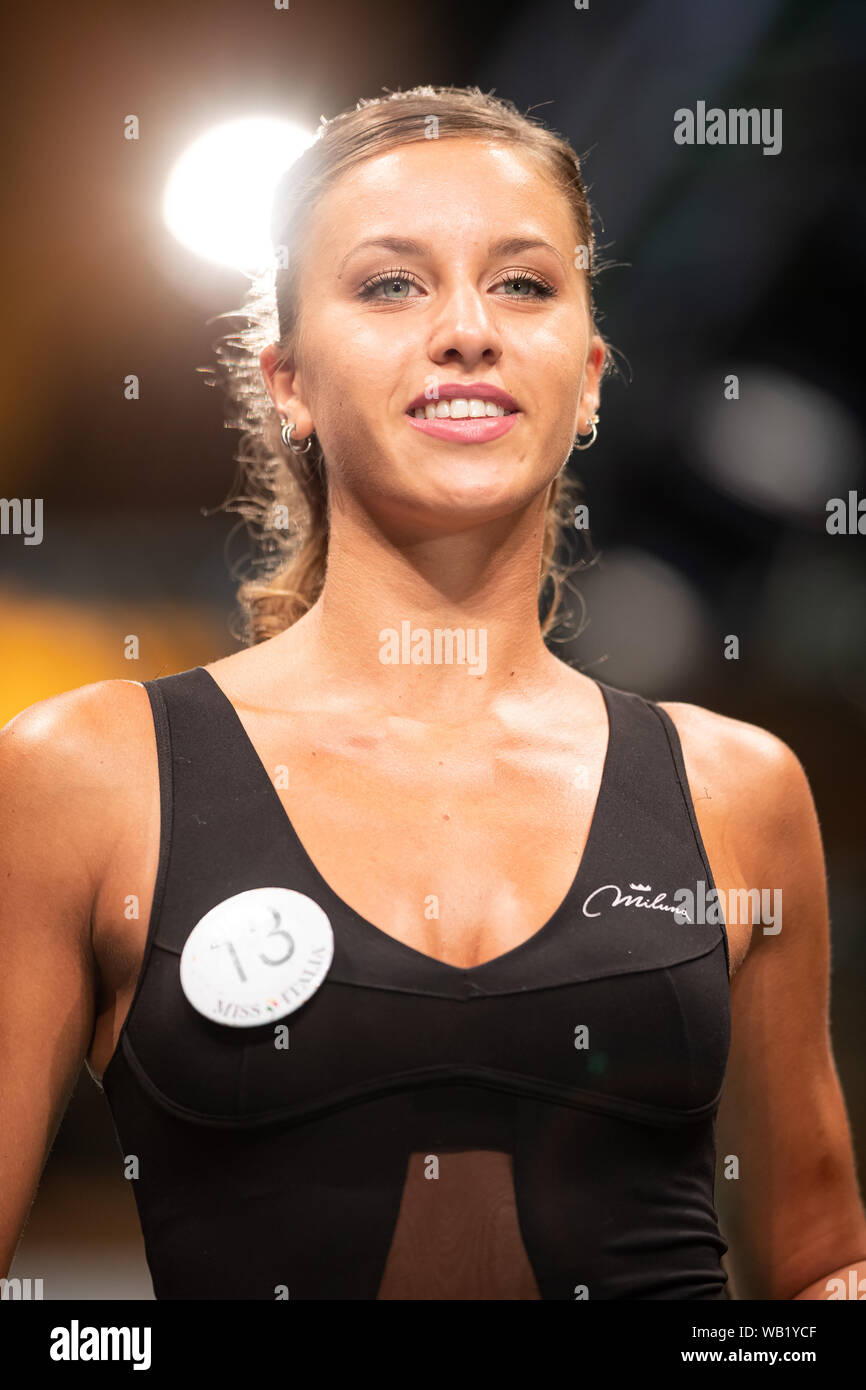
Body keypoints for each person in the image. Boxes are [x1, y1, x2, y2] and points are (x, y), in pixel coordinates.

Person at [2, 85, 864, 1301]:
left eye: (521, 283)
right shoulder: (83, 776)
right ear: (288, 383)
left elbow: (820, 1267)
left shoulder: (737, 789)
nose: (466, 329)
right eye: (390, 284)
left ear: (593, 374)